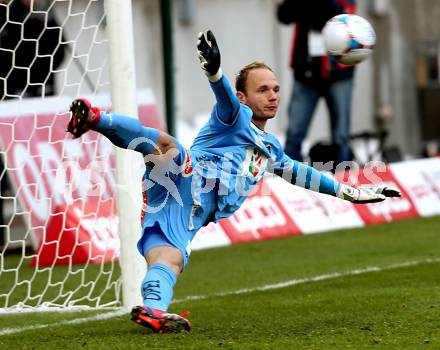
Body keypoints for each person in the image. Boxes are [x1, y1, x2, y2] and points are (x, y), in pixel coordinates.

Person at [66, 30, 400, 333]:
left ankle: (153, 310)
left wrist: (349, 192)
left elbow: (301, 173)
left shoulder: (270, 149)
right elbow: (224, 98)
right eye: (262, 89)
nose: (272, 96)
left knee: (168, 260)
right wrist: (214, 74)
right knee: (166, 146)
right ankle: (96, 118)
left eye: (275, 88)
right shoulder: (233, 117)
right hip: (187, 176)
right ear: (243, 96)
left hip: (187, 213)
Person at [277, 0, 356, 165]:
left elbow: (341, 16)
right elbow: (284, 15)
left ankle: (344, 184)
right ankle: (289, 181)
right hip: (306, 73)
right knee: (294, 134)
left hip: (338, 73)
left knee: (341, 136)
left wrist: (308, 8)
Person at [0, 0, 65, 99]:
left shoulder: (46, 14)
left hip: (44, 92)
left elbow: (59, 51)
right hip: (12, 96)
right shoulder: (8, 17)